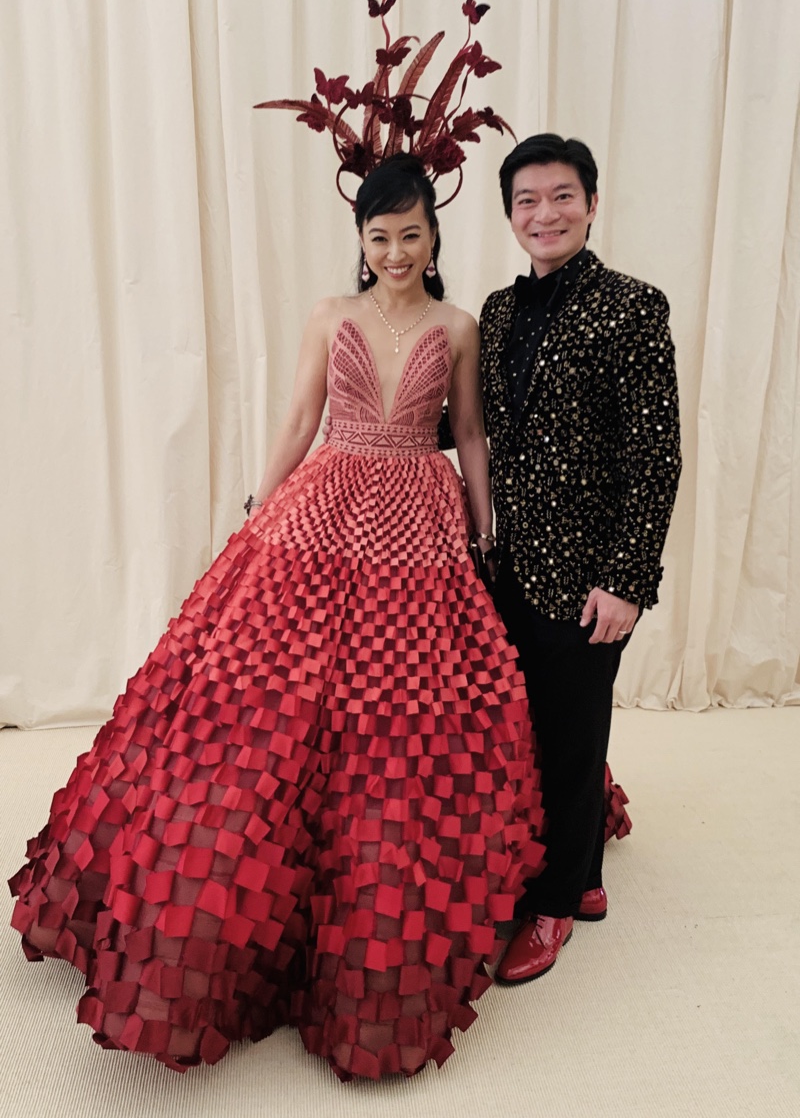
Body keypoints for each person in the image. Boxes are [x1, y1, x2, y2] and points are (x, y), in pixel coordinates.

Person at [9, 155, 545, 1081]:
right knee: (268, 688)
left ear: (434, 236)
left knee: (399, 700)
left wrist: (482, 530)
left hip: (418, 514)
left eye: (410, 235)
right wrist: (262, 503)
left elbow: (467, 433)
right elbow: (301, 417)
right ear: (362, 240)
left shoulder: (459, 325)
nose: (395, 252)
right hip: (324, 500)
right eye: (380, 237)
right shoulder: (329, 316)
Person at [481, 134, 682, 985]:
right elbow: (475, 424)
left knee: (570, 735)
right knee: (533, 727)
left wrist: (627, 581)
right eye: (527, 200)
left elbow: (655, 455)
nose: (545, 214)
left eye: (562, 196)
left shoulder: (633, 306)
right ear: (510, 215)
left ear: (592, 205)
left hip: (591, 577)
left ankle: (557, 904)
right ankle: (583, 870)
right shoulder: (497, 311)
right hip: (508, 565)